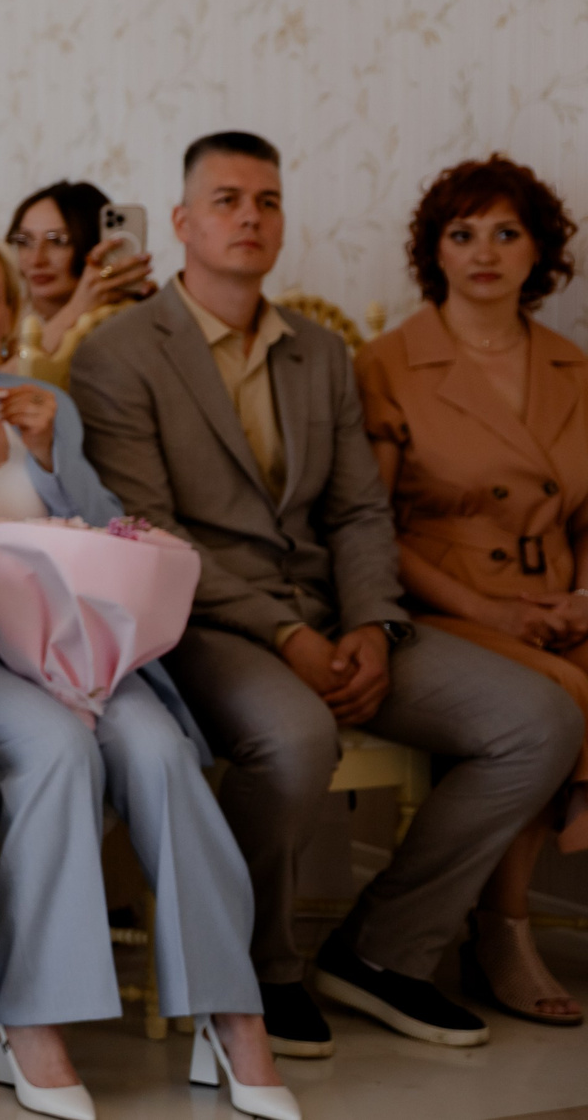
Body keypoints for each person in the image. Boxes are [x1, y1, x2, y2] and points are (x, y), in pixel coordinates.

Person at [71, 132, 582, 1059]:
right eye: (227, 199)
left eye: (267, 200)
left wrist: (374, 628)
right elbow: (147, 531)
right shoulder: (120, 353)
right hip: (203, 617)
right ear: (183, 221)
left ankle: (382, 949)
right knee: (295, 735)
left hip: (338, 611)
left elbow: (356, 513)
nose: (250, 217)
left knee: (539, 718)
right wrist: (287, 635)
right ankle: (260, 969)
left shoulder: (322, 349)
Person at [0, 225, 283, 1120]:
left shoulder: (43, 402)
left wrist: (46, 462)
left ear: (12, 317)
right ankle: (32, 1017)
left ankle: (233, 1010)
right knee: (59, 749)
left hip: (65, 648)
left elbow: (107, 537)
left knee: (156, 748)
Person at [355, 154, 588, 1027]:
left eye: (505, 232)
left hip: (556, 600)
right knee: (557, 697)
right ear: (435, 252)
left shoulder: (573, 366)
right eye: (462, 233)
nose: (484, 251)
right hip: (441, 606)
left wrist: (582, 598)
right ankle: (504, 927)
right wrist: (493, 610)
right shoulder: (387, 362)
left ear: (540, 251)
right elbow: (367, 523)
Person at [7, 180, 152, 355]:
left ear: (94, 243)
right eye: (25, 241)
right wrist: (77, 308)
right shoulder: (1, 315)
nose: (36, 260)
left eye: (58, 242)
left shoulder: (120, 320)